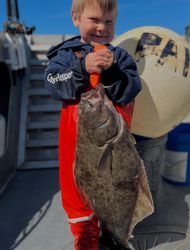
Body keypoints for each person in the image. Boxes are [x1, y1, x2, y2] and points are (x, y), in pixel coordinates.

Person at [44, 0, 142, 249]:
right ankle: (86, 240)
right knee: (79, 201)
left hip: (113, 149)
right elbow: (53, 82)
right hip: (77, 149)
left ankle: (116, 235)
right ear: (75, 18)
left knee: (118, 192)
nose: (102, 28)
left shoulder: (119, 56)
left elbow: (131, 88)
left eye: (109, 22)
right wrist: (80, 68)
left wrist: (112, 72)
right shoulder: (64, 56)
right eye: (94, 20)